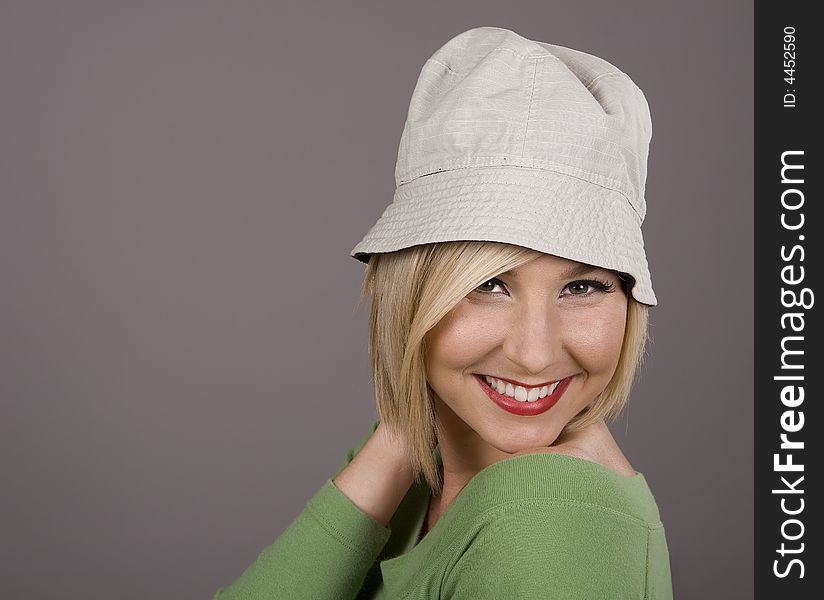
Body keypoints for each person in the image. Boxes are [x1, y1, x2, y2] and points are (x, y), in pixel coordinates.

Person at [214, 26, 673, 599]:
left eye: (582, 287)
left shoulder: (543, 517)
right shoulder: (430, 458)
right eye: (488, 283)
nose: (534, 353)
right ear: (410, 294)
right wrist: (401, 432)